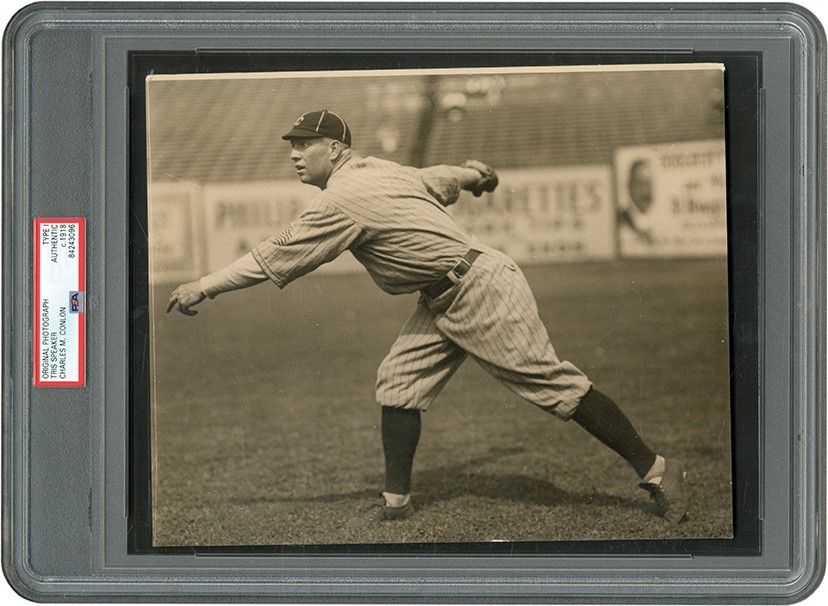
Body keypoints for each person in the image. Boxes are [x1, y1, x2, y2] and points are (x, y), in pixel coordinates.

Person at [167, 109, 689, 525]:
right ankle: (396, 505)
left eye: (305, 145)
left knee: (553, 385)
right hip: (444, 296)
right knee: (398, 383)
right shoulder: (378, 169)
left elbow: (265, 259)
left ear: (337, 150)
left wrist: (203, 286)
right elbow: (437, 177)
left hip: (479, 288)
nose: (296, 155)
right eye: (292, 146)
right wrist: (474, 174)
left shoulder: (342, 199)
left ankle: (658, 472)